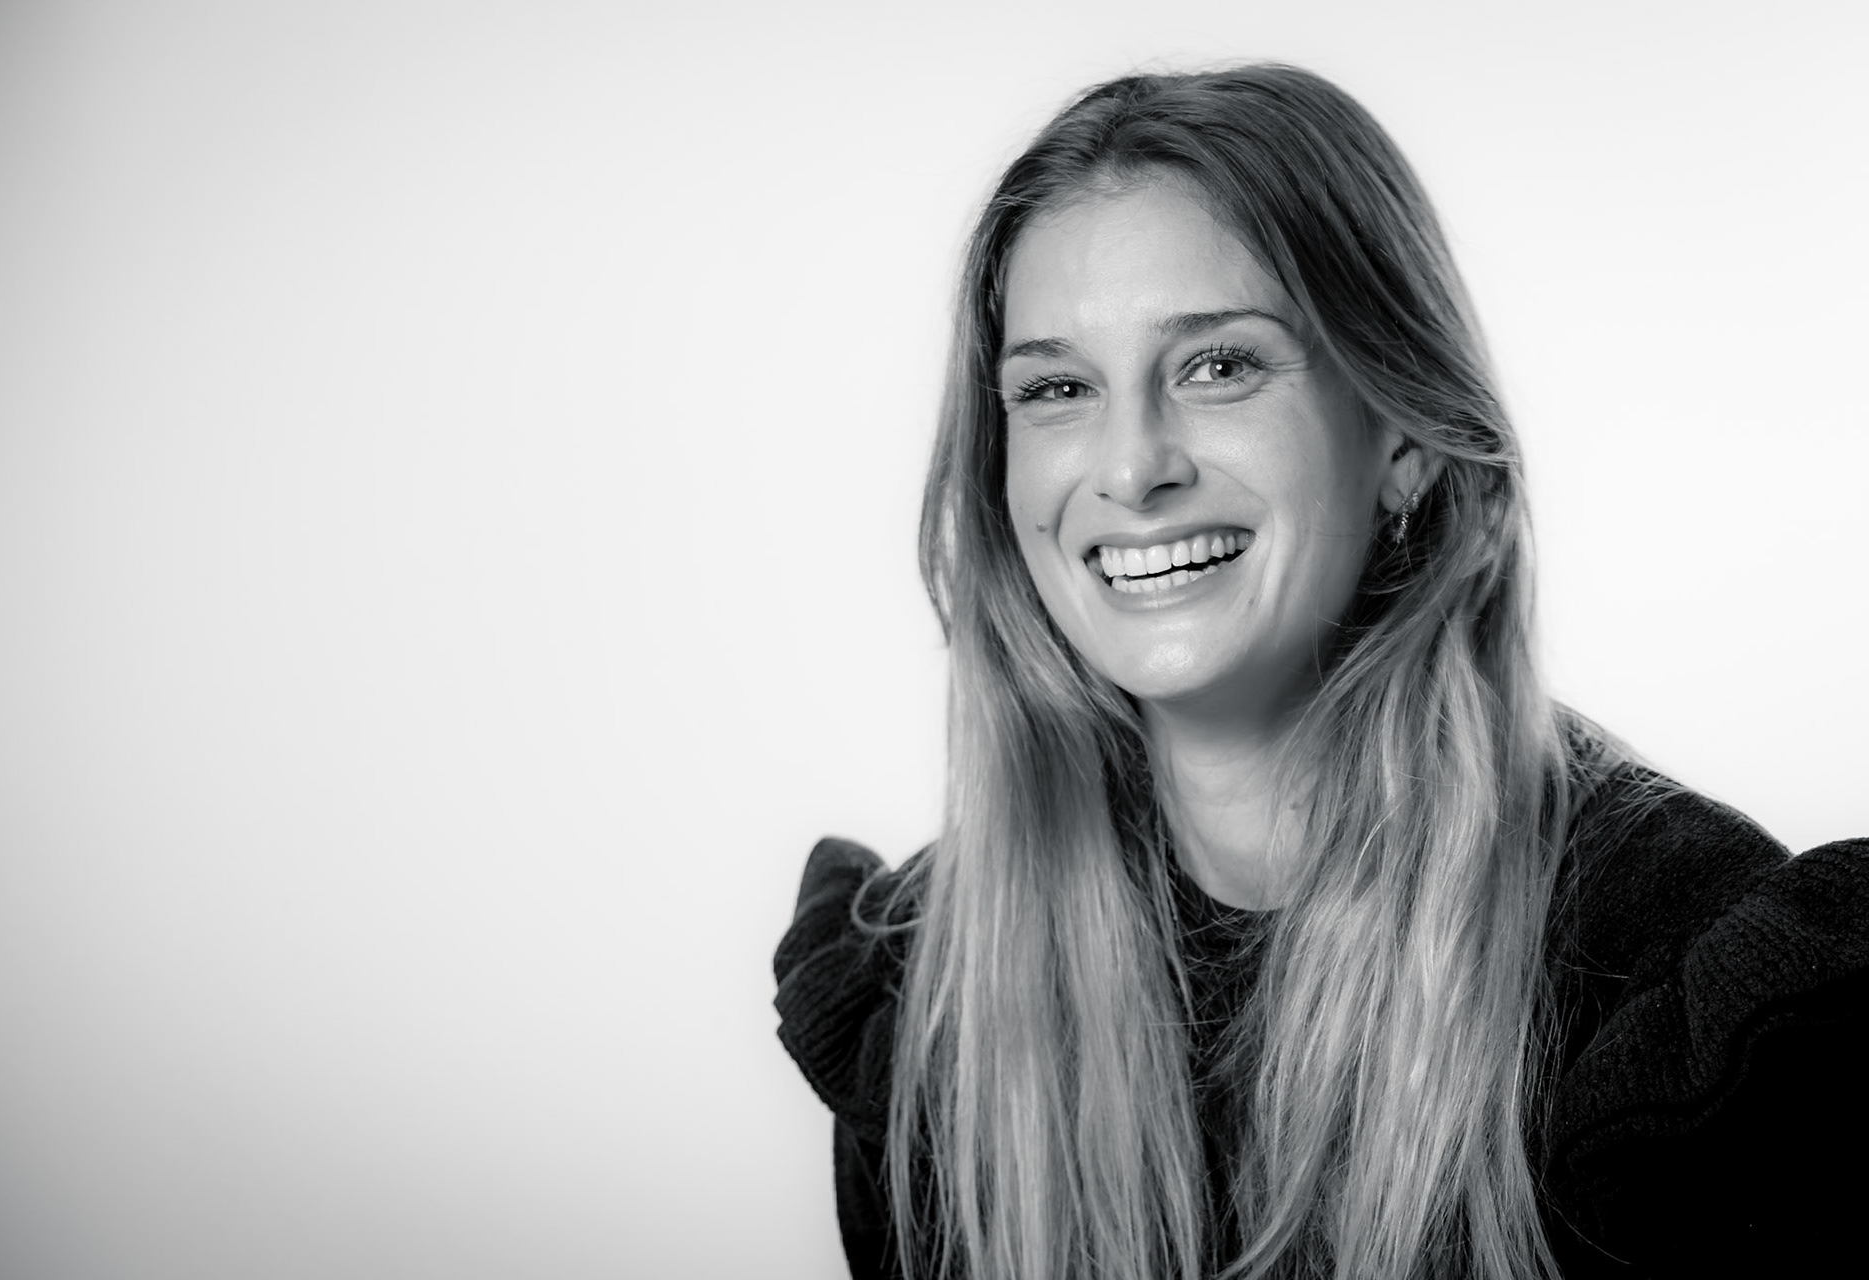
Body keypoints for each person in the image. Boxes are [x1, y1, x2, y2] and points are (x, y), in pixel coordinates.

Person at [772, 64, 1868, 1280]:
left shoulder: (1669, 972)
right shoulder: (934, 986)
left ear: (1401, 437)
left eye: (1219, 365)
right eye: (1058, 388)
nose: (1130, 468)